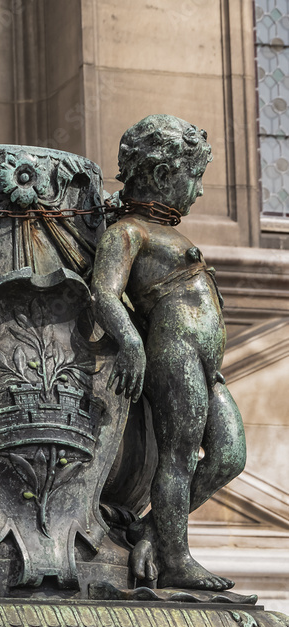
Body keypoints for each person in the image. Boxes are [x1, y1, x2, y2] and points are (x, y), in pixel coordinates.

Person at [92, 114, 246, 591]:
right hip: (173, 349)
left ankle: (151, 529)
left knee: (230, 455)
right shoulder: (129, 232)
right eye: (193, 177)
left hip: (207, 363)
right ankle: (176, 558)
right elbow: (104, 291)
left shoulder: (170, 233)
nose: (199, 192)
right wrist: (131, 340)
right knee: (178, 456)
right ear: (161, 174)